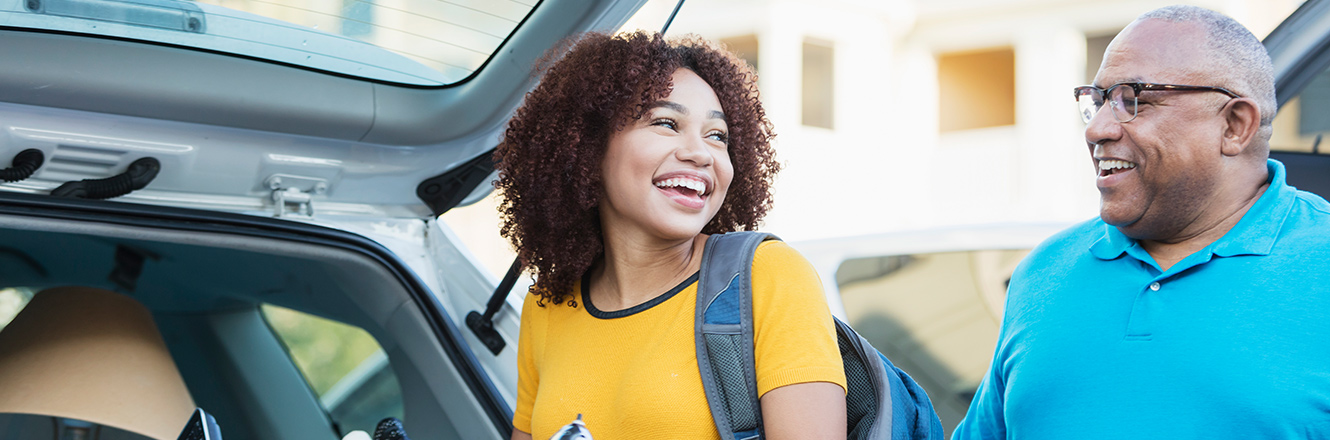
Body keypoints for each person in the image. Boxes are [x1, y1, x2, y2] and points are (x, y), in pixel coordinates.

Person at [953, 5, 1330, 439]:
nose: (1097, 129)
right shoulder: (1042, 272)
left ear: (1234, 125)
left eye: (1134, 100)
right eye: (1097, 102)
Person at [494, 32, 847, 440]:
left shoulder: (767, 276)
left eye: (718, 136)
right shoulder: (546, 309)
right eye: (666, 123)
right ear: (587, 147)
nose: (701, 153)